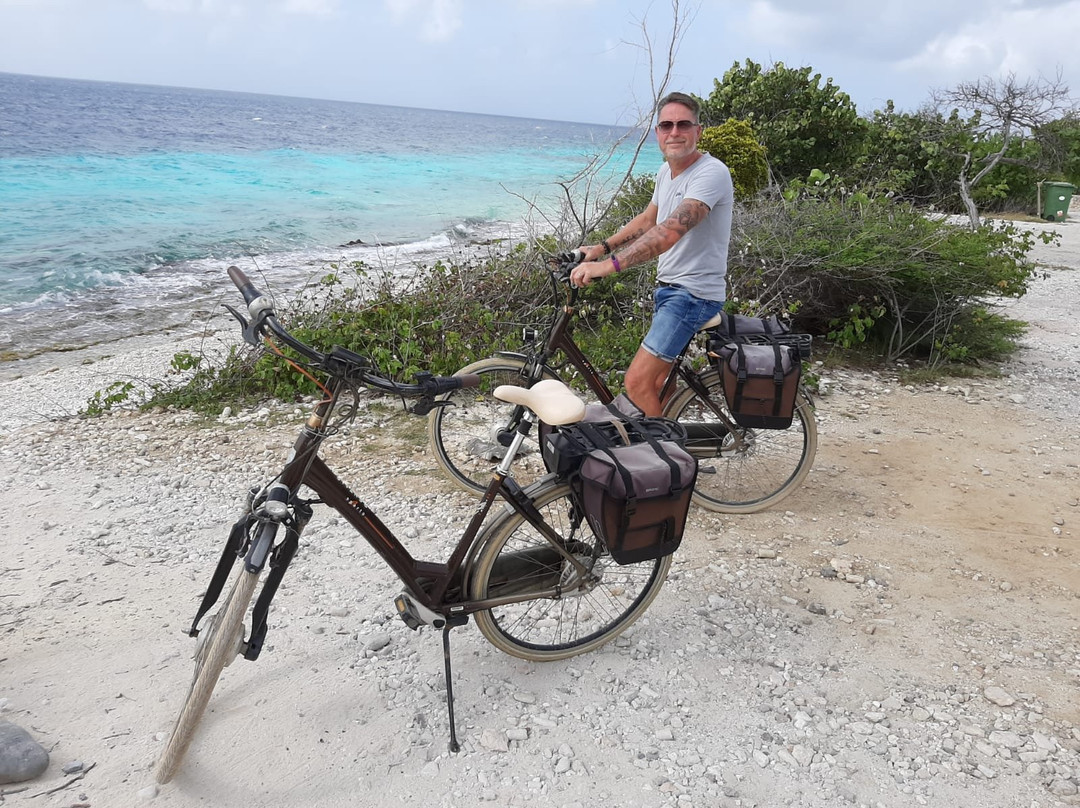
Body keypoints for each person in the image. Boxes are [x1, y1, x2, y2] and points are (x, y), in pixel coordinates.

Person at [570, 91, 733, 416]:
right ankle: (671, 444)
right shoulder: (666, 173)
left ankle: (663, 460)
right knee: (660, 385)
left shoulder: (710, 173)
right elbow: (648, 219)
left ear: (698, 131)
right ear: (658, 133)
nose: (674, 132)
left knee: (637, 383)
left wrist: (607, 267)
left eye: (683, 124)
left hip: (693, 296)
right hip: (671, 291)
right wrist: (601, 248)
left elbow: (671, 229)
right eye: (666, 125)